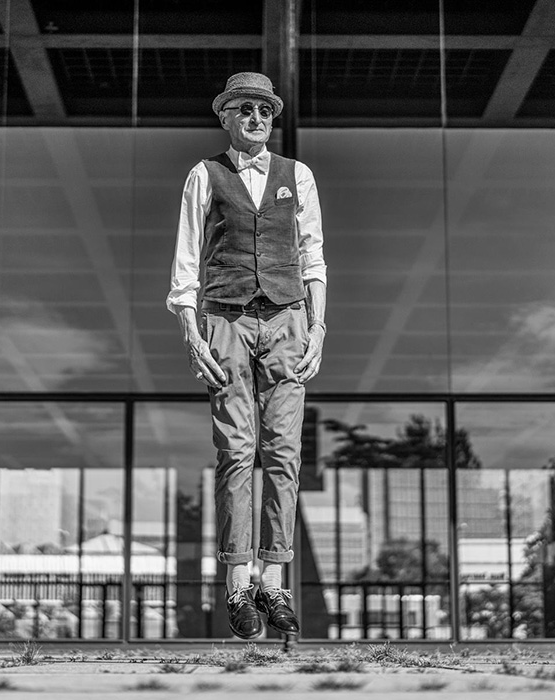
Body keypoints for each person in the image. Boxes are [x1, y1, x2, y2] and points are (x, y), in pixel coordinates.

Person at [167, 72, 327, 640]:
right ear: (225, 116)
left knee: (283, 451)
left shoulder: (296, 175)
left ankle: (274, 579)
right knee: (236, 451)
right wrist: (193, 335)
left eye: (265, 110)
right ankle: (239, 583)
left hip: (288, 319)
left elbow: (312, 257)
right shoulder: (204, 174)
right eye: (244, 109)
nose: (257, 118)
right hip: (225, 319)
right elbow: (187, 262)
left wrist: (318, 328)